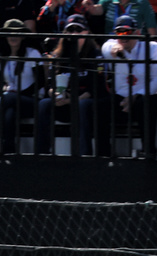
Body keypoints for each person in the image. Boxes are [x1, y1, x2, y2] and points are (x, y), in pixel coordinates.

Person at [35, 13, 109, 155]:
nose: (74, 34)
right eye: (70, 30)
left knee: (83, 105)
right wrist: (55, 95)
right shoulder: (58, 55)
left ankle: (84, 154)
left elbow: (96, 88)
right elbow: (50, 85)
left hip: (87, 104)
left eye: (78, 30)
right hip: (64, 104)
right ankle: (42, 153)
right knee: (44, 104)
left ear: (86, 32)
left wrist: (71, 100)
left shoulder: (96, 54)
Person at [102, 14, 157, 156]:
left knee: (147, 104)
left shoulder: (152, 47)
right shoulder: (112, 47)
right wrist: (113, 48)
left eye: (128, 32)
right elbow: (106, 46)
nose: (124, 36)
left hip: (145, 96)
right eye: (120, 32)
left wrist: (136, 95)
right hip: (122, 99)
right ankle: (103, 153)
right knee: (99, 107)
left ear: (137, 33)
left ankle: (149, 151)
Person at [0, 18, 43, 153]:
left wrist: (17, 95)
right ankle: (9, 151)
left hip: (32, 99)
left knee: (9, 98)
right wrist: (7, 94)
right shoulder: (2, 55)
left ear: (23, 36)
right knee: (10, 113)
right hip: (11, 101)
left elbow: (40, 82)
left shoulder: (32, 53)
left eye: (17, 33)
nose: (13, 37)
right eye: (10, 33)